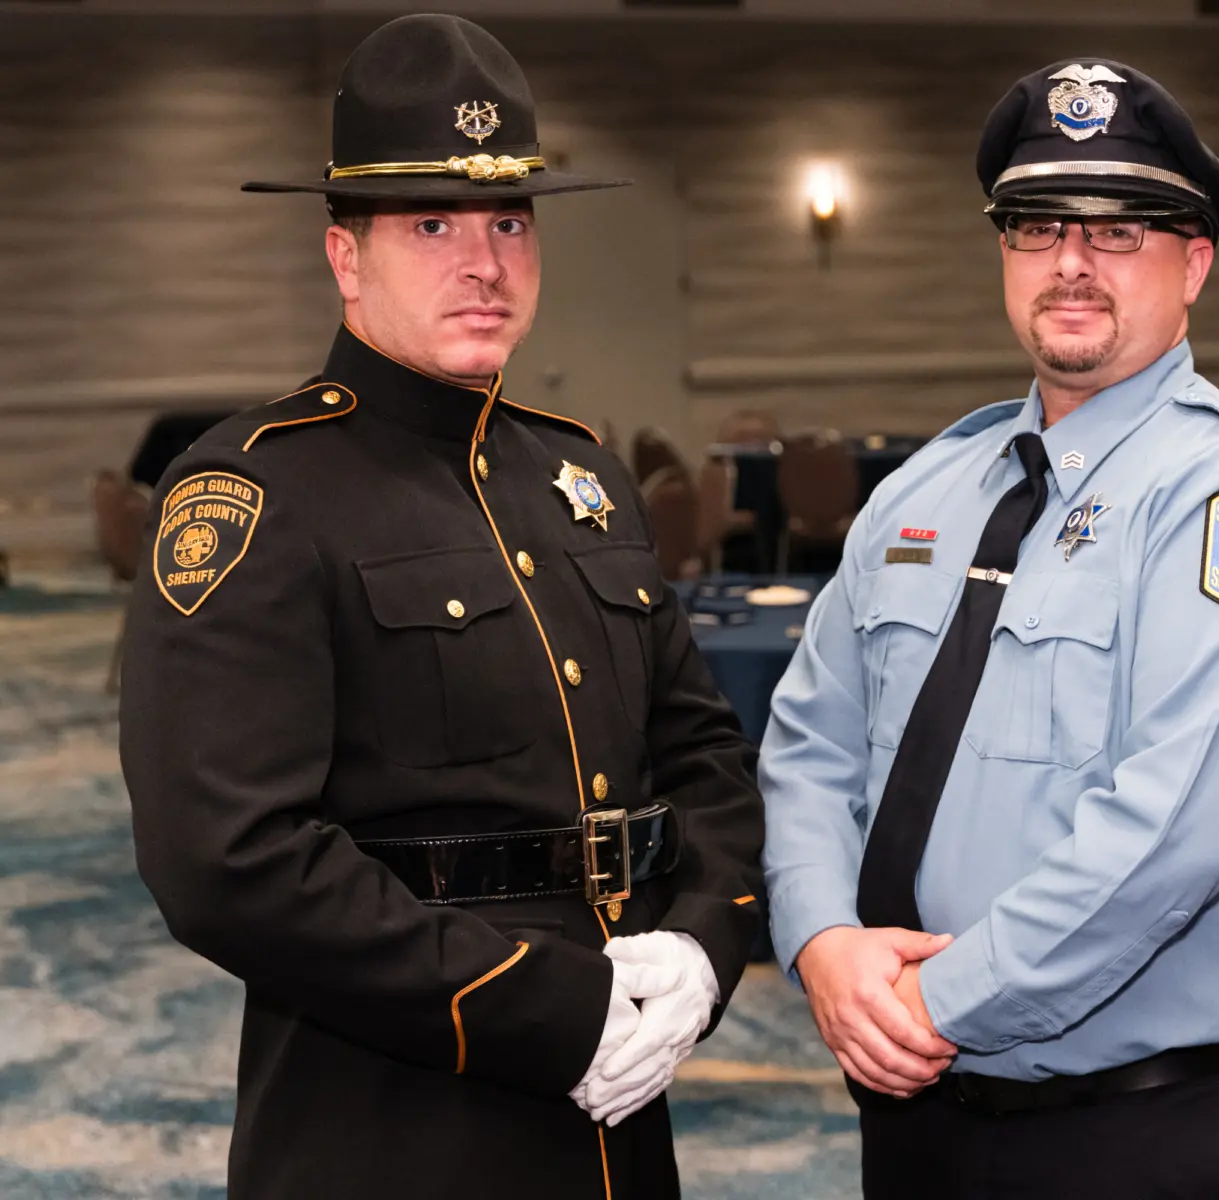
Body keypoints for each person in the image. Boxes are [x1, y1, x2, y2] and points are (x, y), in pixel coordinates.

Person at [119, 15, 764, 1200]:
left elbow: (704, 754)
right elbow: (227, 860)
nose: (486, 263)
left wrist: (702, 946)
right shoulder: (257, 491)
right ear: (344, 256)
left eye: (510, 222)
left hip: (624, 1107)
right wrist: (551, 1010)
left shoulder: (580, 476)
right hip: (399, 1112)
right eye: (431, 225)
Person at [761, 58, 1219, 1199]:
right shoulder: (925, 489)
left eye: (1124, 229)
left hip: (1137, 1133)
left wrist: (928, 1004)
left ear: (1195, 265)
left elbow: (1174, 831)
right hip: (915, 1111)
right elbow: (810, 745)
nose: (1073, 263)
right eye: (1037, 226)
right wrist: (822, 942)